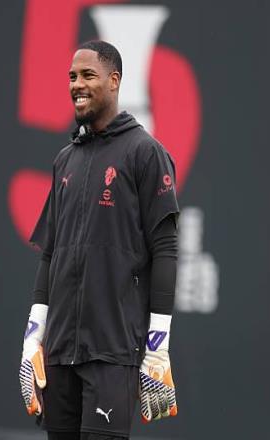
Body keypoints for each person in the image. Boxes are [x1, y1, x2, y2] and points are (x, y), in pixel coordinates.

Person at [19, 40, 179, 440]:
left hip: (113, 352)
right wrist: (33, 337)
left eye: (88, 75)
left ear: (114, 80)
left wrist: (158, 346)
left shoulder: (145, 152)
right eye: (72, 76)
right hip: (59, 353)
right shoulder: (65, 160)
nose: (77, 84)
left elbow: (166, 250)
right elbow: (49, 254)